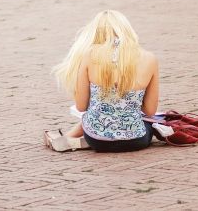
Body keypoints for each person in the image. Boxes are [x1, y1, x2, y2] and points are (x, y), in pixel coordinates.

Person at [44, 10, 159, 152]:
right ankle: (73, 137)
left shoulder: (90, 55)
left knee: (94, 116)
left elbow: (81, 107)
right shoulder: (149, 58)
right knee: (149, 123)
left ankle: (70, 137)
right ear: (127, 29)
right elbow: (150, 110)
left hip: (97, 140)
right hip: (136, 141)